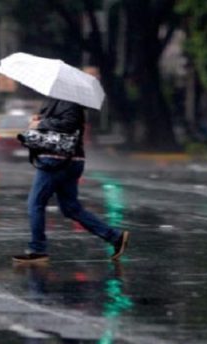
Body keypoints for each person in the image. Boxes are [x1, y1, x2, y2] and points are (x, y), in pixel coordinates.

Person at [13, 97, 129, 264]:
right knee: (70, 208)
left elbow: (68, 124)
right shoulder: (61, 101)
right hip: (69, 161)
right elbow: (61, 122)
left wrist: (40, 124)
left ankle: (38, 250)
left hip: (56, 160)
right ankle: (115, 237)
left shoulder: (68, 101)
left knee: (35, 203)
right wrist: (40, 119)